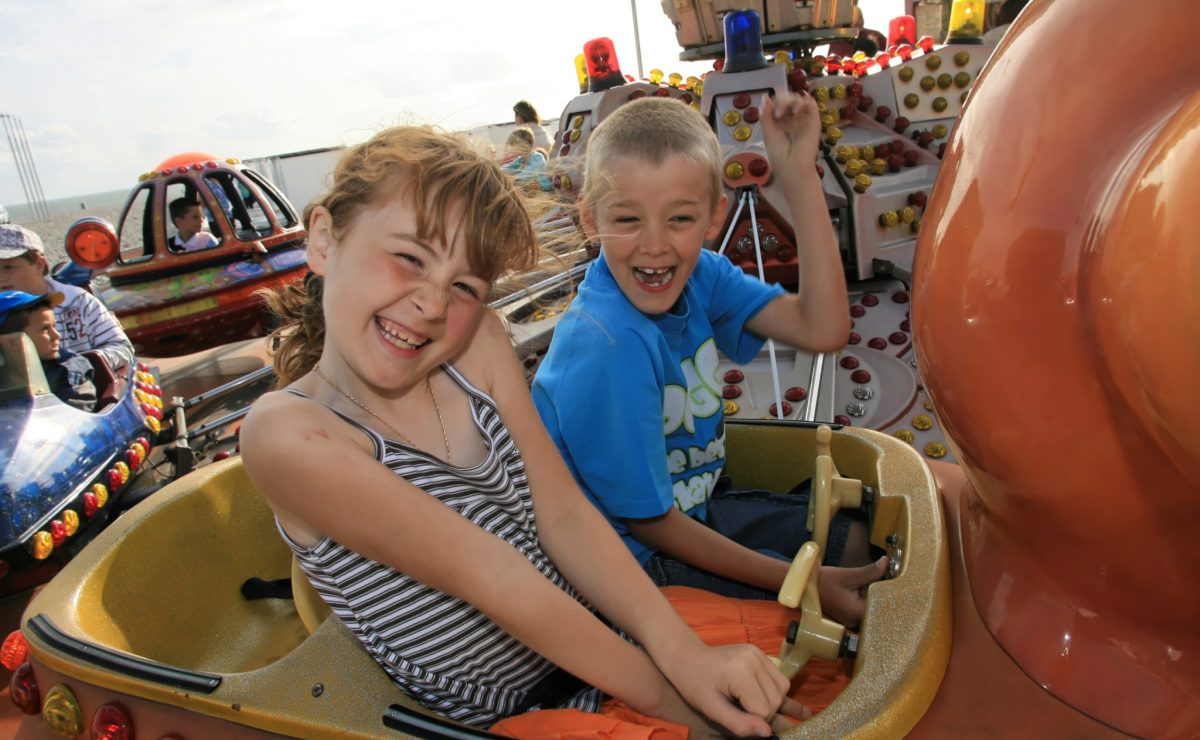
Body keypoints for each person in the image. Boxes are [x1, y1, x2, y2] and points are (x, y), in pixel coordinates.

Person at [240, 125, 810, 738]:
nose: (433, 305)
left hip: (605, 643)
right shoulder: (288, 434)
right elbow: (493, 577)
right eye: (409, 257)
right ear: (325, 239)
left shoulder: (477, 342)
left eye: (464, 285)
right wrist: (678, 704)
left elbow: (562, 514)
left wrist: (682, 655)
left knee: (810, 665)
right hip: (511, 716)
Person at [531, 95, 887, 628]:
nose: (654, 245)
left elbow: (823, 327)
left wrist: (797, 177)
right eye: (627, 219)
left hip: (694, 510)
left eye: (679, 218)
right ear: (590, 219)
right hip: (630, 567)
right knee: (833, 600)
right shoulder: (606, 347)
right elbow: (649, 523)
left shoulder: (704, 276)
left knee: (857, 535)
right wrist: (799, 580)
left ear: (714, 218)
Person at [0, 223, 133, 372]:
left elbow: (121, 347)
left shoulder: (77, 301)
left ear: (39, 264)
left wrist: (80, 366)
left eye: (8, 267)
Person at [0, 289, 96, 411]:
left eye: (54, 326)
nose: (57, 335)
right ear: (12, 341)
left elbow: (77, 419)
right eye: (45, 329)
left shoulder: (67, 370)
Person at [499, 128, 553, 192]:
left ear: (523, 144)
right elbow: (509, 168)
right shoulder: (521, 159)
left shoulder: (537, 157)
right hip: (534, 189)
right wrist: (498, 171)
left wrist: (514, 179)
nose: (511, 148)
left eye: (513, 144)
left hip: (545, 190)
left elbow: (529, 172)